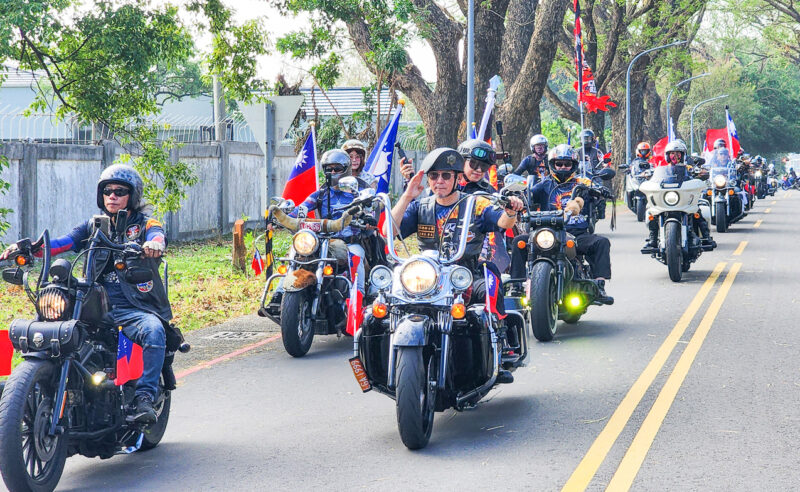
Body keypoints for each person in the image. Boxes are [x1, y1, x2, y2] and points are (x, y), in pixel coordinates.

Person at [1, 164, 170, 424]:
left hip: (134, 306)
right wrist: (30, 247)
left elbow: (157, 234)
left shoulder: (146, 223)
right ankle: (26, 391)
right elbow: (63, 243)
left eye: (119, 191)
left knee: (154, 330)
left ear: (132, 196)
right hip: (93, 304)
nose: (112, 196)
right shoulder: (93, 226)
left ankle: (143, 398)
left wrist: (154, 244)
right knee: (49, 329)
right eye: (107, 191)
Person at [389, 148, 524, 382]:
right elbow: (389, 232)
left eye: (445, 176)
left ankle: (498, 345)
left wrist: (511, 210)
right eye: (434, 176)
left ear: (457, 179)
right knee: (386, 303)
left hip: (467, 273)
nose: (439, 181)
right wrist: (407, 195)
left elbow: (502, 221)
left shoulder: (476, 203)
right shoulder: (421, 206)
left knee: (490, 286)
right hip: (428, 276)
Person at [510, 144, 613, 303]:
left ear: (574, 165)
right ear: (552, 165)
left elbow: (594, 186)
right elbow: (527, 196)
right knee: (519, 242)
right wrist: (516, 196)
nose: (563, 167)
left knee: (602, 242)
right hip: (547, 232)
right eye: (559, 164)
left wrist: (600, 190)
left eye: (567, 164)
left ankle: (599, 284)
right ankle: (516, 286)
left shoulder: (581, 182)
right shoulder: (544, 184)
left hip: (577, 234)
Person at [644, 140, 715, 249]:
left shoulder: (689, 168)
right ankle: (653, 238)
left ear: (683, 155)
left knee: (697, 211)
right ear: (667, 155)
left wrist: (700, 173)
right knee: (652, 211)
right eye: (672, 153)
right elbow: (655, 177)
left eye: (678, 153)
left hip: (684, 199)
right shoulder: (662, 168)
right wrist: (648, 175)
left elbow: (698, 175)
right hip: (668, 198)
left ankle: (705, 237)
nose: (675, 156)